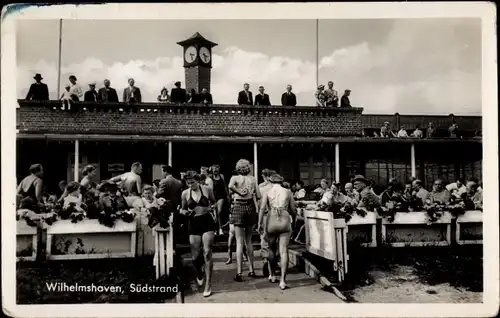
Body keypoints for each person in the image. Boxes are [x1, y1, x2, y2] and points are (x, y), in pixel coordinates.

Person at [180, 171, 217, 297]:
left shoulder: (206, 189)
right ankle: (200, 273)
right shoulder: (185, 193)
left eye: (193, 182)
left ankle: (208, 284)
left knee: (207, 252)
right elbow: (183, 208)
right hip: (193, 223)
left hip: (207, 222)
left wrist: (212, 208)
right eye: (188, 183)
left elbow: (214, 202)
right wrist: (185, 213)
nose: (191, 185)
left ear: (198, 181)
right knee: (195, 257)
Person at [258, 173, 297, 290]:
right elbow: (293, 209)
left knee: (271, 248)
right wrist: (294, 221)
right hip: (284, 218)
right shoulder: (288, 192)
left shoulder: (267, 192)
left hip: (271, 220)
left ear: (270, 181)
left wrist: (259, 223)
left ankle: (273, 275)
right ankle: (283, 281)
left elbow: (262, 208)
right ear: (281, 181)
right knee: (284, 251)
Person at [228, 159, 261, 281]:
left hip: (239, 206)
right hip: (250, 207)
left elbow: (230, 187)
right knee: (249, 241)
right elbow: (258, 196)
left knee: (239, 241)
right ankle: (252, 270)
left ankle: (239, 272)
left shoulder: (234, 178)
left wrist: (239, 192)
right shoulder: (252, 179)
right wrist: (249, 193)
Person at [257, 168, 275, 277]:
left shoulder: (261, 188)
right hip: (276, 215)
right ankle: (273, 262)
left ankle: (265, 259)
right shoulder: (276, 187)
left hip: (264, 215)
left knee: (264, 239)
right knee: (274, 240)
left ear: (262, 176)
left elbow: (260, 205)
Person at [211, 165, 228, 236]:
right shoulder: (210, 178)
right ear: (211, 169)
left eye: (217, 168)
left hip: (221, 197)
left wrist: (227, 195)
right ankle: (216, 229)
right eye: (214, 168)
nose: (215, 170)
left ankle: (220, 229)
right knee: (214, 213)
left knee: (219, 211)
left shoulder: (222, 176)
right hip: (213, 197)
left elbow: (225, 186)